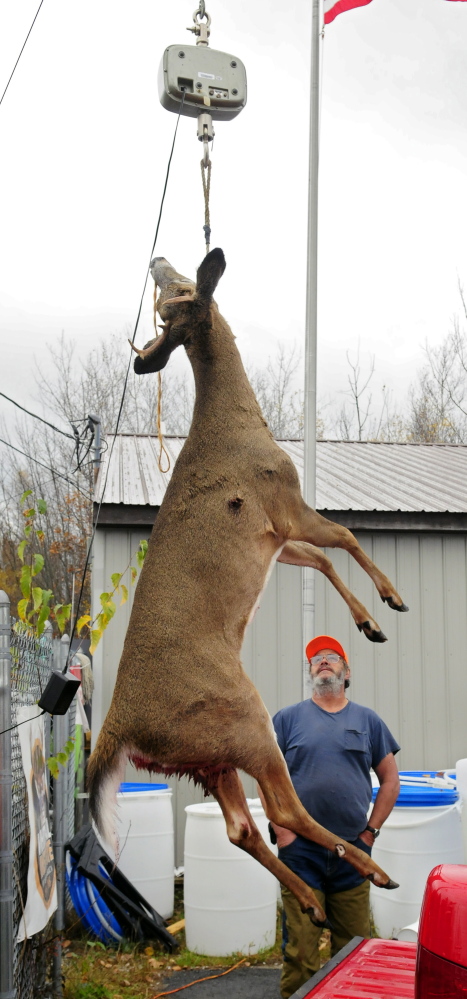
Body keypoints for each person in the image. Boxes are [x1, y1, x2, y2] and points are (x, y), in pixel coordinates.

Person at [271, 635, 400, 999]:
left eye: (331, 657)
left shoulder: (367, 721)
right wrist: (283, 832)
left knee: (355, 950)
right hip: (301, 855)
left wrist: (370, 833)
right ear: (310, 671)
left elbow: (391, 780)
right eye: (315, 659)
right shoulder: (287, 719)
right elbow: (268, 779)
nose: (322, 661)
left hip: (352, 854)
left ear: (346, 671)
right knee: (300, 952)